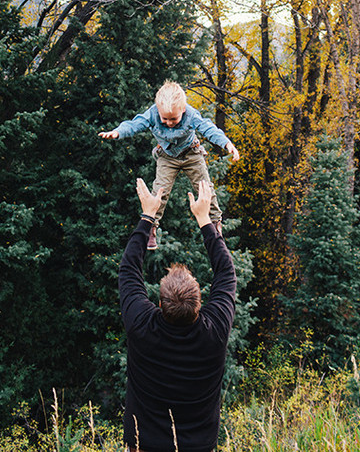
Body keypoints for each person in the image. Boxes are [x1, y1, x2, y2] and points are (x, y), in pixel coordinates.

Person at [119, 177, 236, 452]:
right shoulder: (215, 332)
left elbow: (128, 270)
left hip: (143, 445)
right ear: (199, 303)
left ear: (159, 305)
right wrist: (205, 220)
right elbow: (226, 273)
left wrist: (148, 216)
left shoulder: (141, 326)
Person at [99, 80, 239, 248]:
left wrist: (227, 144)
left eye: (174, 119)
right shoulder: (152, 114)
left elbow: (209, 128)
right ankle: (151, 227)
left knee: (205, 187)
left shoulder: (191, 115)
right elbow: (135, 124)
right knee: (160, 189)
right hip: (167, 156)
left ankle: (215, 224)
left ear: (183, 109)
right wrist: (118, 132)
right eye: (164, 119)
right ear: (158, 111)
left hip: (192, 154)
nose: (169, 123)